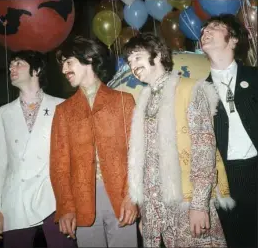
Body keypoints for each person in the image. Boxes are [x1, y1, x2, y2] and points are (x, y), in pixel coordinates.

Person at [125, 33, 235, 247]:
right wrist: (145, 215)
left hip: (186, 202)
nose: (132, 65)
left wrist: (199, 205)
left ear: (157, 55)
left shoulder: (190, 89)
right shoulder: (144, 99)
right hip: (154, 208)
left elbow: (204, 151)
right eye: (129, 61)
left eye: (137, 57)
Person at [50, 36, 138, 247]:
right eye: (62, 64)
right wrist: (66, 208)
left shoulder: (123, 101)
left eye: (68, 62)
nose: (64, 70)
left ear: (88, 58)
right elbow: (59, 166)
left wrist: (132, 197)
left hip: (121, 198)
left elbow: (136, 154)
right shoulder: (63, 111)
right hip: (82, 202)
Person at [0, 50, 76, 248]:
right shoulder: (2, 113)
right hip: (15, 201)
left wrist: (70, 204)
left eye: (18, 63)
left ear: (36, 70)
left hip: (53, 198)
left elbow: (72, 160)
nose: (11, 68)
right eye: (11, 65)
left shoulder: (62, 107)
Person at [201, 14, 258, 248]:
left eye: (214, 27)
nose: (205, 31)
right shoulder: (199, 92)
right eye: (204, 28)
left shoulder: (255, 77)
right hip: (225, 179)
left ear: (233, 39)